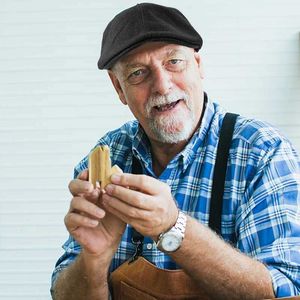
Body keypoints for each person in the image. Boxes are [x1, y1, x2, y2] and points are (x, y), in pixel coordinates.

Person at [50, 3, 300, 299]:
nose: (162, 85)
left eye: (174, 62)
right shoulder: (108, 156)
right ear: (119, 88)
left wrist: (174, 227)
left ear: (198, 64)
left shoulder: (262, 152)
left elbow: (286, 290)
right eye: (138, 73)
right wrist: (93, 259)